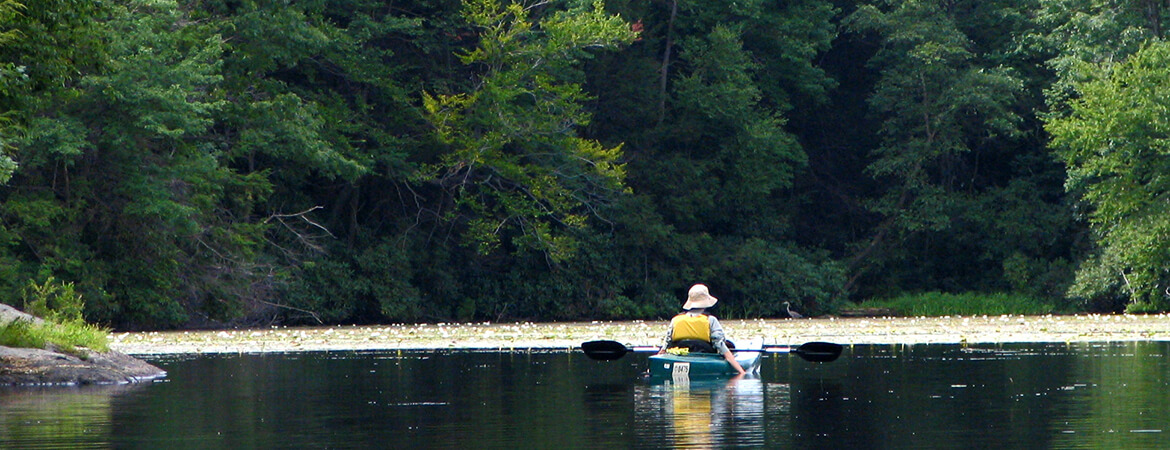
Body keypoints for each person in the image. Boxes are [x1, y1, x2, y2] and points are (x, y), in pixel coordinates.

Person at [658, 284, 746, 375]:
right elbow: (720, 344)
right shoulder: (710, 320)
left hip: (678, 356)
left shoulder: (675, 320)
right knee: (730, 345)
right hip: (706, 356)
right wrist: (741, 372)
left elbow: (666, 345)